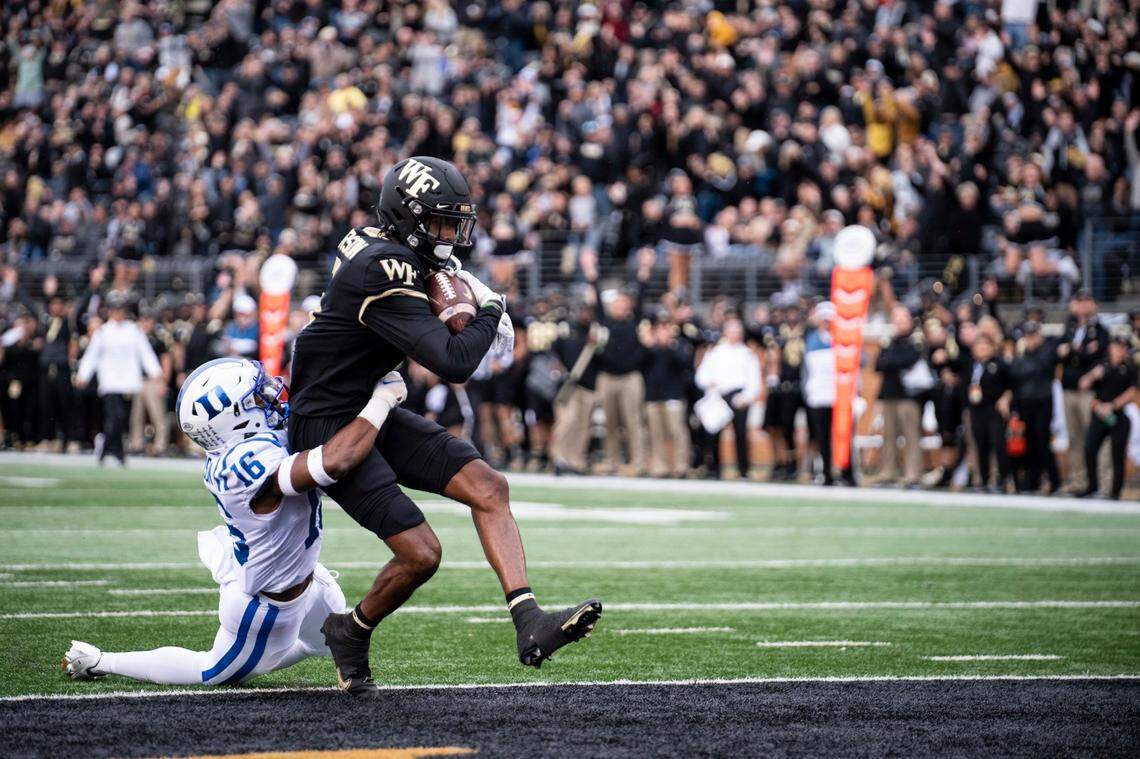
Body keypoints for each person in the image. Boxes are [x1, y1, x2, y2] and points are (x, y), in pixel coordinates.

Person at [287, 157, 601, 696]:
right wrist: (489, 310)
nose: (452, 236)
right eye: (439, 224)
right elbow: (454, 361)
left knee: (489, 486)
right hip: (327, 423)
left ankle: (529, 619)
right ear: (406, 219)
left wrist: (461, 289)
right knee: (422, 553)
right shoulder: (382, 269)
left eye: (456, 223)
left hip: (368, 404)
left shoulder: (377, 243)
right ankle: (350, 630)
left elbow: (431, 276)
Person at [63, 358, 406, 685]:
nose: (270, 394)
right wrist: (382, 398)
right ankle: (99, 660)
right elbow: (334, 461)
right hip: (265, 606)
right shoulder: (241, 462)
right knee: (211, 671)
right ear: (235, 416)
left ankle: (272, 652)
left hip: (309, 580)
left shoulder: (248, 441)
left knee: (326, 642)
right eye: (257, 395)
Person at [74, 295, 163, 466]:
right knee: (114, 417)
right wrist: (83, 375)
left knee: (123, 419)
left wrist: (155, 373)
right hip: (110, 381)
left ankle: (112, 448)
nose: (118, 313)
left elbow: (145, 353)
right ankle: (112, 448)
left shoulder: (133, 330)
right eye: (115, 309)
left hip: (129, 381)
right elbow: (92, 354)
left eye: (121, 309)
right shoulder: (103, 332)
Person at [586, 248, 652, 476]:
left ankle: (639, 461)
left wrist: (645, 269)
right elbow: (596, 299)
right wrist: (590, 271)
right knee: (610, 423)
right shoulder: (604, 320)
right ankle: (612, 461)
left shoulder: (635, 321)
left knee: (633, 421)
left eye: (624, 303)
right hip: (607, 376)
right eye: (617, 303)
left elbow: (642, 294)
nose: (621, 306)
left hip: (631, 377)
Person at [695, 316, 760, 479]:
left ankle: (743, 469)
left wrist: (747, 397)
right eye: (731, 331)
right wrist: (710, 385)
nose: (734, 334)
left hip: (739, 396)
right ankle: (713, 468)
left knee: (741, 433)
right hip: (718, 396)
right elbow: (702, 376)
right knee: (712, 432)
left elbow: (754, 379)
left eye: (737, 331)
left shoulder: (747, 354)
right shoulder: (716, 352)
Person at [1058, 292, 1109, 493]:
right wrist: (1079, 351)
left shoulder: (1101, 331)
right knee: (1074, 437)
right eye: (1080, 302)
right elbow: (1059, 351)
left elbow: (1097, 354)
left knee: (1094, 437)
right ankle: (1079, 480)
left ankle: (1103, 482)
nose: (1084, 306)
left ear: (1094, 305)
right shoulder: (1070, 328)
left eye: (1088, 301)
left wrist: (1072, 351)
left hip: (1089, 393)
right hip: (1069, 391)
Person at [1077, 335, 1137, 500]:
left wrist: (1113, 405)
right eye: (1117, 347)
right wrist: (1092, 376)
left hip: (1118, 415)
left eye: (1123, 348)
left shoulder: (1130, 368)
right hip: (1099, 414)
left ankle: (1115, 491)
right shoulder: (1100, 365)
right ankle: (1092, 485)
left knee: (1116, 454)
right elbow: (1082, 384)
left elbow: (1133, 392)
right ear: (1110, 348)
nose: (1120, 351)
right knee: (1089, 448)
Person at [873, 305, 925, 487]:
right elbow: (878, 365)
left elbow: (908, 360)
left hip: (908, 396)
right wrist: (892, 361)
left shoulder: (915, 339)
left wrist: (890, 360)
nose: (899, 323)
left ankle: (913, 474)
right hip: (889, 394)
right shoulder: (890, 340)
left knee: (911, 435)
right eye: (896, 319)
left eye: (902, 319)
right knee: (888, 436)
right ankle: (888, 472)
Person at [1008, 322, 1061, 494]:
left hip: (1042, 403)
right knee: (1028, 442)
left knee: (1042, 441)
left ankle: (1054, 480)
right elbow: (1015, 379)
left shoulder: (1046, 353)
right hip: (1025, 404)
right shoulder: (1021, 357)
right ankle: (1032, 481)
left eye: (1033, 335)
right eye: (1027, 336)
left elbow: (1041, 367)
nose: (1030, 339)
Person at [642, 315, 692, 479]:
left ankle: (681, 466)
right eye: (660, 328)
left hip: (673, 396)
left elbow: (684, 363)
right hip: (653, 396)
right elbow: (638, 363)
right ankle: (660, 466)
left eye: (666, 327)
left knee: (677, 432)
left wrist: (669, 346)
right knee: (656, 434)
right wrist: (649, 346)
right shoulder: (650, 349)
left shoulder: (679, 345)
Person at [966, 333, 1013, 493]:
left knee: (998, 443)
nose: (982, 348)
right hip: (977, 410)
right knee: (981, 444)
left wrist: (1006, 398)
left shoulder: (999, 364)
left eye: (986, 345)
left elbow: (1011, 385)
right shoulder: (972, 366)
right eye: (979, 345)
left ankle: (1003, 479)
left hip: (994, 409)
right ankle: (984, 479)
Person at [801, 301, 841, 486]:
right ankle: (825, 473)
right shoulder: (811, 339)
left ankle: (844, 472)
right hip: (818, 394)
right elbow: (807, 370)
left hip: (838, 395)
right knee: (821, 436)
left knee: (840, 435)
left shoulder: (842, 338)